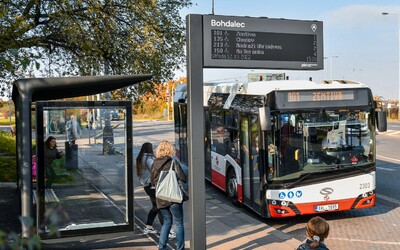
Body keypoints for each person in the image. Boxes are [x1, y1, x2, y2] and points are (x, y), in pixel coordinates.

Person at [151, 140, 187, 250]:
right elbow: (183, 177)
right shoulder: (173, 162)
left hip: (161, 197)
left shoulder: (154, 164)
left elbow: (152, 182)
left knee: (166, 222)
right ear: (170, 150)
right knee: (179, 223)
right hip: (173, 197)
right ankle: (180, 248)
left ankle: (161, 247)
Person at [136, 142, 162, 234]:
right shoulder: (148, 159)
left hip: (146, 185)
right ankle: (165, 229)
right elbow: (156, 169)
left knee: (157, 206)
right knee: (159, 206)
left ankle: (149, 226)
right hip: (151, 186)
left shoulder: (140, 158)